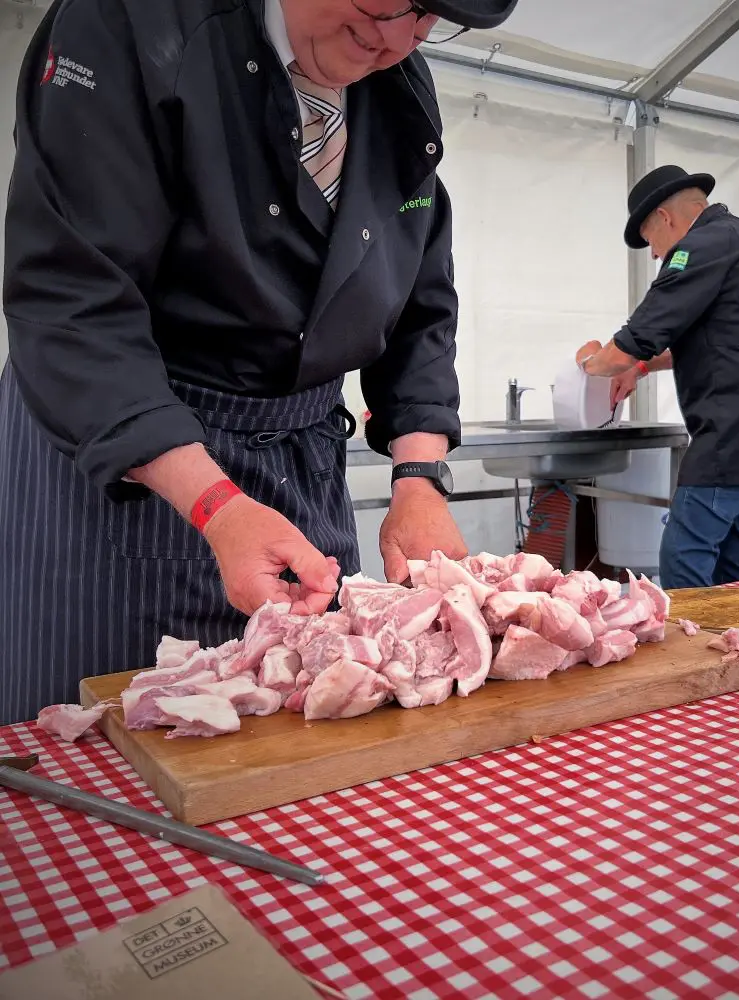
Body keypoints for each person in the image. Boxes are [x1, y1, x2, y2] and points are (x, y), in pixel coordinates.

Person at [0, 0, 518, 725]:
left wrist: (419, 477)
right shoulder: (130, 23)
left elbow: (421, 301)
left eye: (429, 20)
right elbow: (71, 298)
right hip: (132, 468)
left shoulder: (398, 86)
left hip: (301, 464)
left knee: (306, 728)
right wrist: (214, 504)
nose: (397, 39)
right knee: (124, 739)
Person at [576, 164, 739, 591]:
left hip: (735, 437)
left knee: (683, 554)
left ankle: (690, 653)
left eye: (651, 242)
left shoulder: (702, 246)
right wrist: (641, 367)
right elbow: (720, 339)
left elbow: (639, 335)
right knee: (733, 557)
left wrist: (590, 364)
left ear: (665, 219)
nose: (655, 255)